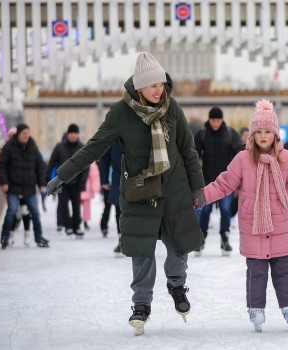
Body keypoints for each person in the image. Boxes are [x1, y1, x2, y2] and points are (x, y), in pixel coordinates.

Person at [46, 52, 205, 336]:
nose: (159, 89)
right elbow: (94, 147)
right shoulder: (120, 113)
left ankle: (177, 286)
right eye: (153, 85)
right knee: (142, 253)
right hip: (141, 192)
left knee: (178, 249)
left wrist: (197, 187)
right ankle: (141, 306)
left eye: (162, 83)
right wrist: (63, 174)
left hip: (175, 191)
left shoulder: (173, 108)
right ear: (139, 86)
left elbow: (188, 151)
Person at [198, 100, 288, 333]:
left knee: (283, 269)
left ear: (275, 135)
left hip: (279, 225)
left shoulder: (286, 158)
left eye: (268, 132)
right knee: (256, 271)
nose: (263, 136)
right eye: (259, 132)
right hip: (253, 225)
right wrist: (203, 196)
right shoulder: (243, 159)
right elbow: (224, 184)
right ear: (252, 135)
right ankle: (256, 308)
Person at [194, 106, 243, 256]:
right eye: (213, 120)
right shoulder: (202, 134)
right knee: (205, 210)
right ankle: (201, 237)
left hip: (227, 180)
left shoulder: (230, 134)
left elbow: (240, 155)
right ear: (209, 120)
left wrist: (239, 181)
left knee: (226, 209)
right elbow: (194, 155)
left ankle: (225, 237)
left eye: (218, 120)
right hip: (207, 179)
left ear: (222, 120)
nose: (215, 123)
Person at [0, 123, 49, 249]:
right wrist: (4, 182)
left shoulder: (32, 146)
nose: (26, 135)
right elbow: (1, 166)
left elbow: (40, 166)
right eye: (24, 133)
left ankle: (38, 236)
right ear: (18, 134)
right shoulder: (9, 147)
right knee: (12, 211)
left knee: (35, 212)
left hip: (29, 187)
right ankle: (5, 237)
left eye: (28, 133)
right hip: (13, 187)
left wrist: (41, 183)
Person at [46, 124, 89, 238]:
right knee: (63, 205)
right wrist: (47, 178)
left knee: (76, 206)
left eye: (75, 133)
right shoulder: (59, 147)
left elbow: (86, 166)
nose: (73, 135)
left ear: (78, 134)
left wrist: (83, 182)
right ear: (68, 134)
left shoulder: (82, 147)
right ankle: (68, 226)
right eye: (71, 133)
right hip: (62, 183)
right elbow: (51, 162)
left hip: (76, 183)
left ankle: (77, 227)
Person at [0, 127, 33, 246]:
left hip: (24, 186)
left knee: (24, 210)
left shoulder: (24, 148)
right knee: (13, 211)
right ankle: (10, 234)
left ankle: (26, 234)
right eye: (10, 136)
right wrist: (2, 147)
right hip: (10, 186)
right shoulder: (6, 149)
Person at [98, 140, 124, 256]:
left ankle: (134, 240)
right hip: (118, 179)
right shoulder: (113, 136)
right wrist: (104, 180)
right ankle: (121, 239)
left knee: (136, 210)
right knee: (119, 210)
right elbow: (104, 159)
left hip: (138, 177)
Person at [229, 127, 249, 219]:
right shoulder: (236, 149)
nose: (246, 137)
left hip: (249, 181)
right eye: (244, 135)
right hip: (237, 181)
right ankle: (232, 217)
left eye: (248, 135)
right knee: (234, 202)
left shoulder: (254, 149)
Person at [80, 161, 100, 232]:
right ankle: (85, 221)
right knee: (86, 206)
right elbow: (95, 176)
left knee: (77, 205)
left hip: (80, 186)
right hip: (86, 187)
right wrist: (96, 188)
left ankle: (78, 220)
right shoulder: (91, 162)